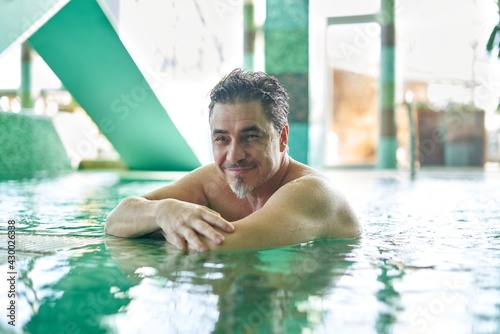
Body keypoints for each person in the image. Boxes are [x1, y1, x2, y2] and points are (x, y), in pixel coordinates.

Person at [105, 69, 362, 252]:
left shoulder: (313, 192)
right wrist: (164, 211)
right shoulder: (212, 181)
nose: (234, 156)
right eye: (222, 139)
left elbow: (214, 248)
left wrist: (151, 228)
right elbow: (117, 219)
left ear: (282, 138)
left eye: (250, 137)